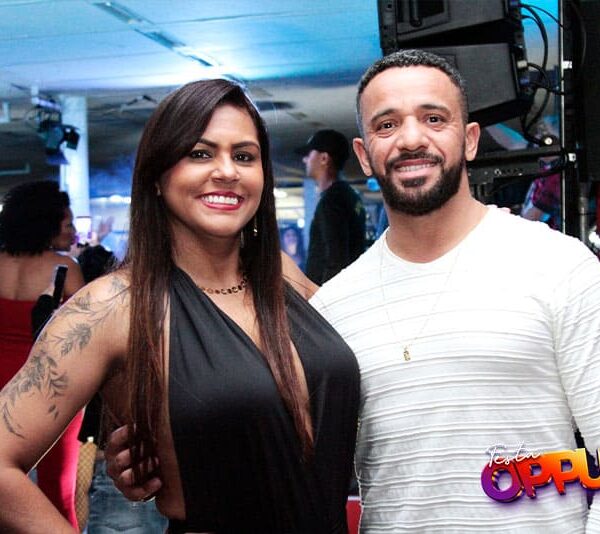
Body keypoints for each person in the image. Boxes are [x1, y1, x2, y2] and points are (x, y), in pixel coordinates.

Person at [104, 50, 600, 532]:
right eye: (387, 125)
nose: (411, 139)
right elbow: (272, 437)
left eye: (433, 119)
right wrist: (165, 451)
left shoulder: (557, 265)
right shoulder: (333, 307)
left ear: (470, 140)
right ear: (364, 155)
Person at [0, 78, 360, 534]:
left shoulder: (282, 276)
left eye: (244, 156)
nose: (227, 171)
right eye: (200, 153)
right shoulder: (114, 305)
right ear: (157, 174)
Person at [0, 180, 86, 529]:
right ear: (47, 223)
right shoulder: (63, 267)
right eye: (67, 223)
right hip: (51, 386)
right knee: (57, 490)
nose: (74, 231)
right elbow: (86, 334)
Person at [296, 129, 366, 284]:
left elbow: (336, 258)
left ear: (323, 158)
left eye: (309, 154)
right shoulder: (350, 196)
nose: (305, 160)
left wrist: (321, 296)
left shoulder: (332, 201)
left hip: (330, 292)